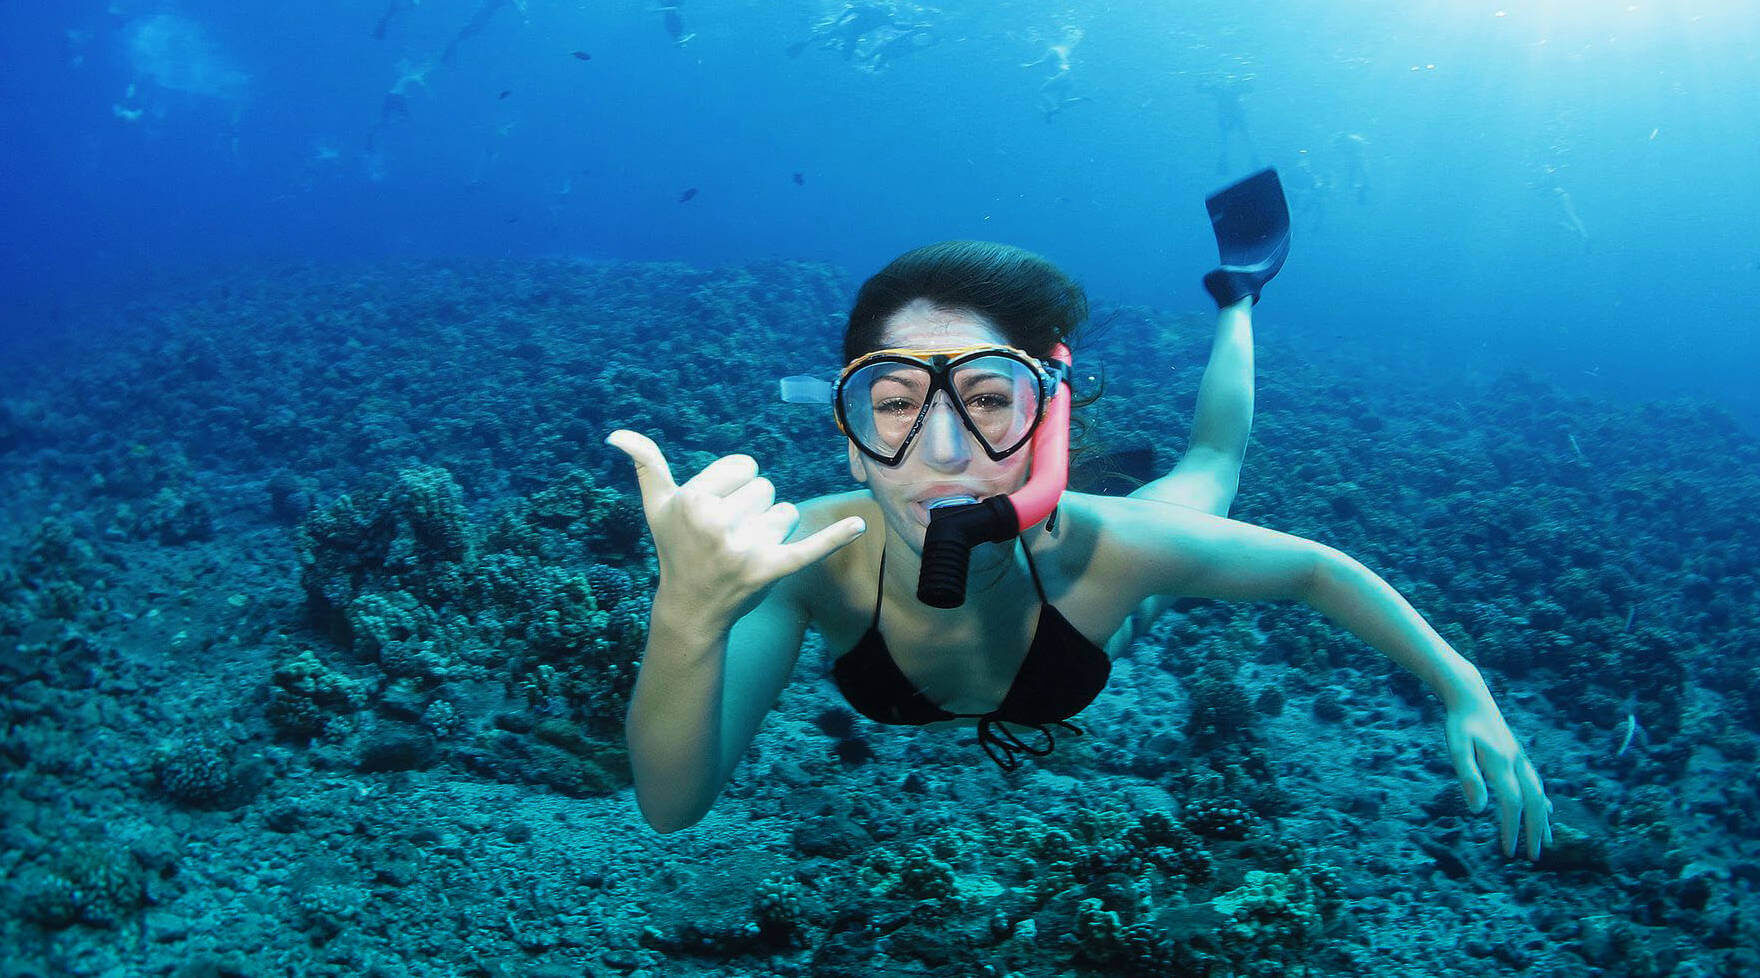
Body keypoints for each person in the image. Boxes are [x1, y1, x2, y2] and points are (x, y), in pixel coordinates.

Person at [611, 171, 1552, 862]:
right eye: (894, 404)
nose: (941, 455)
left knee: (1207, 467)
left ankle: (1241, 293)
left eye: (988, 399)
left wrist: (1462, 683)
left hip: (1095, 554)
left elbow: (1314, 569)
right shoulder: (805, 560)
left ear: (1046, 422)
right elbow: (670, 806)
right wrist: (689, 612)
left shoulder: (1121, 549)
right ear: (850, 439)